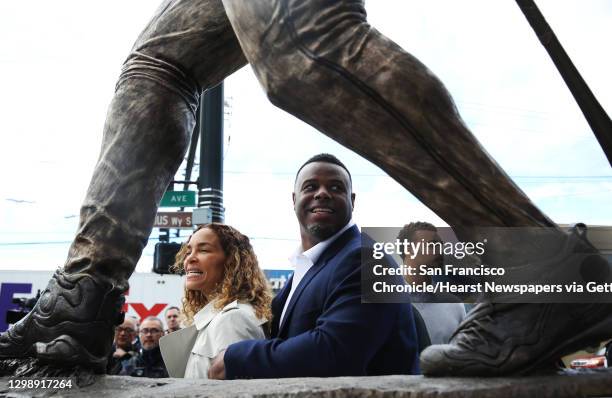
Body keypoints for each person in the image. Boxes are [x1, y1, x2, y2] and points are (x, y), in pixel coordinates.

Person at [1, 0, 610, 377]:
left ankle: (539, 266)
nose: (319, 198)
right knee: (158, 68)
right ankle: (84, 292)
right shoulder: (320, 266)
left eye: (332, 188)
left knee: (300, 41)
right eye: (308, 189)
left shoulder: (362, 262)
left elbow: (335, 347)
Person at [207, 154, 419, 379]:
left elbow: (334, 353)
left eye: (336, 187)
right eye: (311, 186)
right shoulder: (303, 269)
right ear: (294, 199)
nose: (322, 193)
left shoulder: (369, 260)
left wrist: (235, 357)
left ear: (352, 200)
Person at [159, 223, 272, 378]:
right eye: (188, 251)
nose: (190, 258)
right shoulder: (217, 318)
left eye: (203, 250)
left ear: (232, 261)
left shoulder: (233, 319)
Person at [396, 222, 466, 346]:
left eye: (440, 245)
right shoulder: (384, 302)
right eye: (432, 245)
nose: (440, 251)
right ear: (408, 249)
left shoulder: (455, 306)